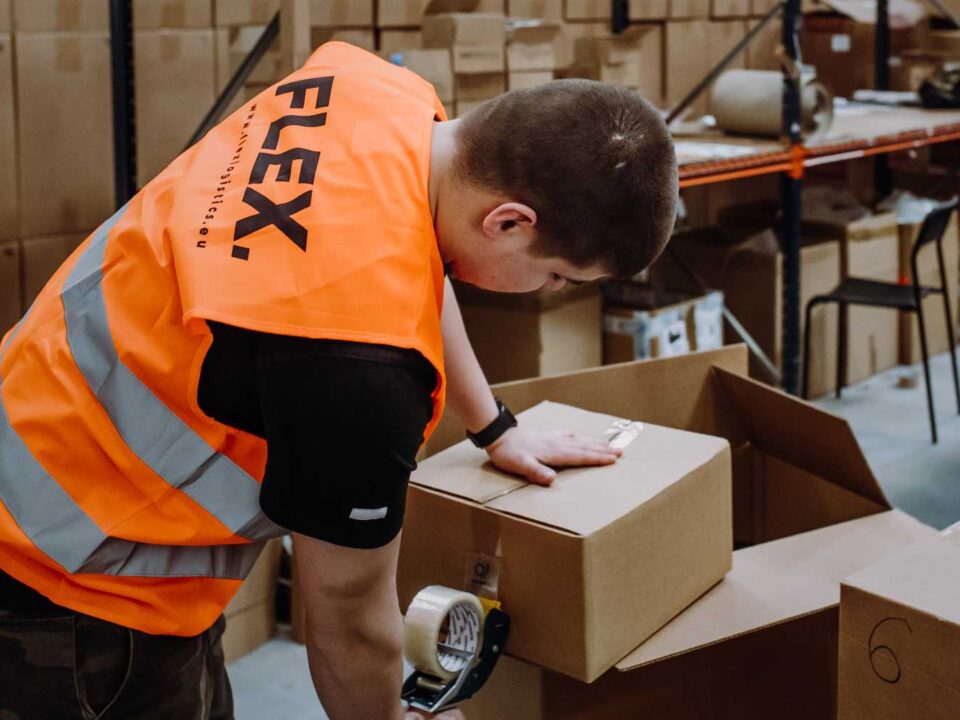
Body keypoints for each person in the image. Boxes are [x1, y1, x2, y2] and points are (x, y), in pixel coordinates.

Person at [0, 42, 677, 720]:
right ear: (508, 221)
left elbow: (414, 262)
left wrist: (494, 427)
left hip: (36, 414)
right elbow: (348, 623)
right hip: (71, 586)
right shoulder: (359, 378)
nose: (549, 290)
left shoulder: (370, 90)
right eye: (559, 275)